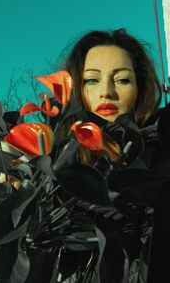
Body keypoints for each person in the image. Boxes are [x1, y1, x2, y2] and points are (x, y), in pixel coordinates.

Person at [57, 29, 168, 282]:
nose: (107, 92)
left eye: (122, 80)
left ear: (140, 88)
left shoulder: (161, 152)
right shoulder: (57, 166)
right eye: (92, 80)